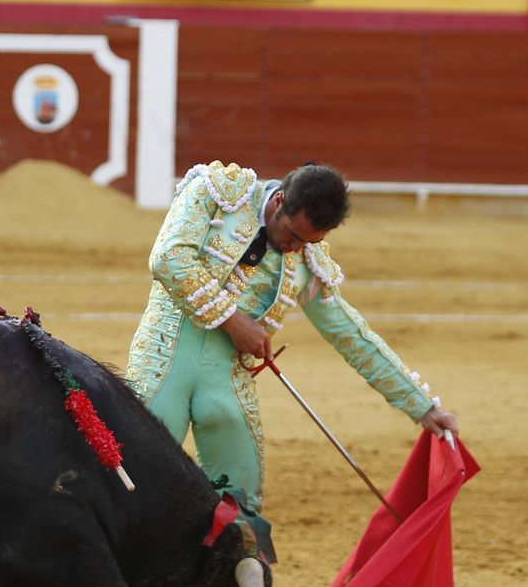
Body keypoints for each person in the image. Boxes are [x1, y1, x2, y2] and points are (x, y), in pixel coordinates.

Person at [126, 161, 460, 534]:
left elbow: (350, 334)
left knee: (243, 515)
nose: (295, 247)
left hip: (226, 382)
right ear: (280, 200)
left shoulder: (306, 260)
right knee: (133, 488)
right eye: (293, 233)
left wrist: (422, 405)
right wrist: (234, 322)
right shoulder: (220, 192)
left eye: (309, 241)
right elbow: (168, 258)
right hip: (163, 358)